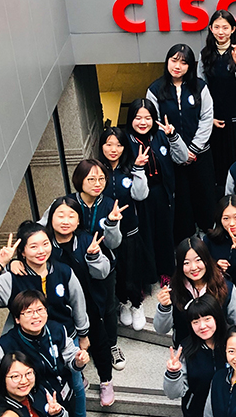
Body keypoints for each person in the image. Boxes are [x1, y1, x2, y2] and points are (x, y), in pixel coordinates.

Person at [0, 223, 89, 417]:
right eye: (33, 246)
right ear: (22, 252)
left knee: (76, 385)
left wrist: (83, 335)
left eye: (45, 244)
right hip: (28, 346)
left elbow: (78, 303)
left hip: (63, 337)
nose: (41, 251)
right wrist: (2, 264)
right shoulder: (13, 277)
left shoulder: (63, 271)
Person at [42, 196, 118, 406]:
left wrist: (94, 256)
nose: (65, 221)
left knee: (99, 343)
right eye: (60, 215)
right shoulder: (45, 243)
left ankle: (106, 381)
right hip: (57, 308)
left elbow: (103, 272)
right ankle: (79, 375)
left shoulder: (86, 239)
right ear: (50, 218)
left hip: (89, 303)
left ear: (78, 220)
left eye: (71, 215)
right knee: (65, 348)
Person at [0, 291, 90, 417]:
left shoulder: (57, 329)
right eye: (28, 312)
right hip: (38, 402)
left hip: (64, 392)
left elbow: (69, 355)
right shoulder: (5, 345)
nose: (36, 316)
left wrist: (78, 361)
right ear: (17, 319)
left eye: (40, 309)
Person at [147, 43, 217, 239]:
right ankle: (186, 244)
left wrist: (193, 149)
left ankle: (209, 239)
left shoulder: (200, 87)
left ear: (190, 66)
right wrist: (179, 151)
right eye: (174, 60)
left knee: (204, 198)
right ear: (167, 61)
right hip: (172, 159)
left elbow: (206, 119)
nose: (177, 66)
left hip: (200, 155)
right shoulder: (155, 90)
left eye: (183, 62)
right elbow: (155, 124)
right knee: (181, 203)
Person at [97, 126, 153, 370]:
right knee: (114, 273)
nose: (113, 149)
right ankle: (121, 302)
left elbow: (141, 195)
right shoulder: (96, 171)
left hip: (130, 232)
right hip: (105, 237)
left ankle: (136, 304)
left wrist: (140, 168)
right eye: (108, 144)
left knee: (132, 270)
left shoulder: (130, 170)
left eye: (118, 144)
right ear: (101, 146)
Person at [124, 98, 190, 287]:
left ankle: (166, 272)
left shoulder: (161, 136)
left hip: (162, 193)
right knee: (143, 236)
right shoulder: (126, 141)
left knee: (164, 234)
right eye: (138, 118)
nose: (143, 122)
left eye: (147, 118)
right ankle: (146, 277)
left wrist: (173, 136)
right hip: (137, 197)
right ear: (130, 119)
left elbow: (183, 157)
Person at [200, 10, 236, 191]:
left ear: (232, 29)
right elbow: (201, 89)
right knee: (219, 173)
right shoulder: (205, 55)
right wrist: (210, 118)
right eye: (216, 27)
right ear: (210, 29)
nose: (221, 31)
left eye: (225, 27)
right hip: (215, 122)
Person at [154, 237, 236, 347]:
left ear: (207, 259)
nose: (193, 267)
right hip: (187, 352)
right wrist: (164, 307)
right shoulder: (173, 290)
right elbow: (161, 329)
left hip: (219, 349)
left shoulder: (226, 287)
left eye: (198, 260)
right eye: (186, 263)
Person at [163, 295, 230, 417]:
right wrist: (173, 373)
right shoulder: (186, 349)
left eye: (207, 319)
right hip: (197, 412)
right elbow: (172, 394)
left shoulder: (232, 342)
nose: (202, 326)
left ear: (217, 318)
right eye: (196, 322)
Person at [0, 352, 66, 417]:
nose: (24, 381)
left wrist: (57, 414)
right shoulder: (6, 414)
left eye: (28, 373)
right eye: (15, 376)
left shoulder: (38, 392)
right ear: (3, 379)